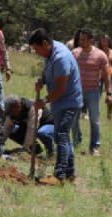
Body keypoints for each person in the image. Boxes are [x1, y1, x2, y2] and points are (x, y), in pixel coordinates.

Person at [30, 28, 82, 182]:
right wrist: (43, 81)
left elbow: (61, 88)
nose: (36, 52)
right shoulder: (51, 52)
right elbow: (48, 71)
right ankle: (70, 173)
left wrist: (44, 101)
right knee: (63, 137)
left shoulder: (61, 57)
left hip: (69, 102)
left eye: (37, 49)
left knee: (61, 137)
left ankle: (60, 175)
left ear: (45, 43)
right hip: (59, 102)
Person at [72, 28, 110, 157]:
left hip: (93, 92)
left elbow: (106, 75)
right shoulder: (74, 53)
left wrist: (109, 93)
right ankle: (77, 141)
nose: (80, 41)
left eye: (83, 39)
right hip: (76, 92)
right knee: (73, 119)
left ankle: (94, 147)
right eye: (79, 39)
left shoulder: (100, 55)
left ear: (91, 40)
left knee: (94, 120)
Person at [99, 33, 112, 121]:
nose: (104, 41)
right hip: (99, 76)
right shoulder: (98, 51)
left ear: (109, 41)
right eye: (102, 40)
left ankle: (109, 115)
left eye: (106, 40)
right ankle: (94, 114)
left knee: (110, 97)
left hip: (109, 76)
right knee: (97, 96)